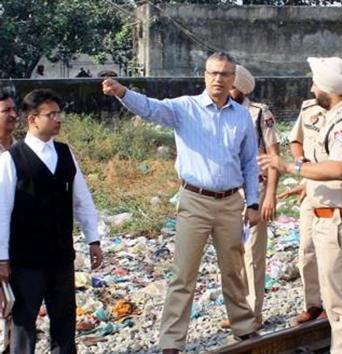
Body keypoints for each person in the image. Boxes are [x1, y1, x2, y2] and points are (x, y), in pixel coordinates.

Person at [102, 51, 261, 353]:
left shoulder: (242, 116)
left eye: (225, 74)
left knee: (233, 270)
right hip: (194, 201)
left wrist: (252, 203)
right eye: (213, 73)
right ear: (204, 75)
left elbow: (250, 163)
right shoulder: (184, 108)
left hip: (230, 202)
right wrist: (122, 92)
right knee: (183, 274)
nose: (218, 79)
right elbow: (150, 109)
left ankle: (243, 326)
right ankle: (172, 341)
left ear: (233, 80)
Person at [258, 57, 342, 354]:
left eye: (315, 84)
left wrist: (288, 167)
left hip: (339, 219)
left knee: (340, 298)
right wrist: (309, 183)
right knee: (337, 295)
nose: (312, 89)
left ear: (328, 87)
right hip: (335, 214)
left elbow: (339, 169)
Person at [0, 89, 103, 354]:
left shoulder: (65, 153)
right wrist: (2, 259)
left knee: (64, 323)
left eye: (59, 113)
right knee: (24, 324)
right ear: (33, 119)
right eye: (52, 114)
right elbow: (1, 211)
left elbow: (82, 200)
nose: (59, 119)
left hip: (61, 256)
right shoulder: (11, 160)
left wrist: (93, 239)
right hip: (26, 261)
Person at [219, 64, 280, 330]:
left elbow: (274, 156)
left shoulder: (258, 113)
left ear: (240, 88)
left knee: (253, 254)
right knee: (233, 253)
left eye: (230, 84)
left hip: (255, 189)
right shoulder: (220, 112)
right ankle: (238, 312)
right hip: (228, 192)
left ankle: (253, 314)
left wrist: (270, 196)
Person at [283, 98, 328, 324]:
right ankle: (313, 304)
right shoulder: (309, 109)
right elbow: (295, 140)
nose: (312, 89)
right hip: (312, 187)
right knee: (307, 249)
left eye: (317, 84)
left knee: (333, 250)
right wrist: (301, 163)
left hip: (338, 191)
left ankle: (333, 304)